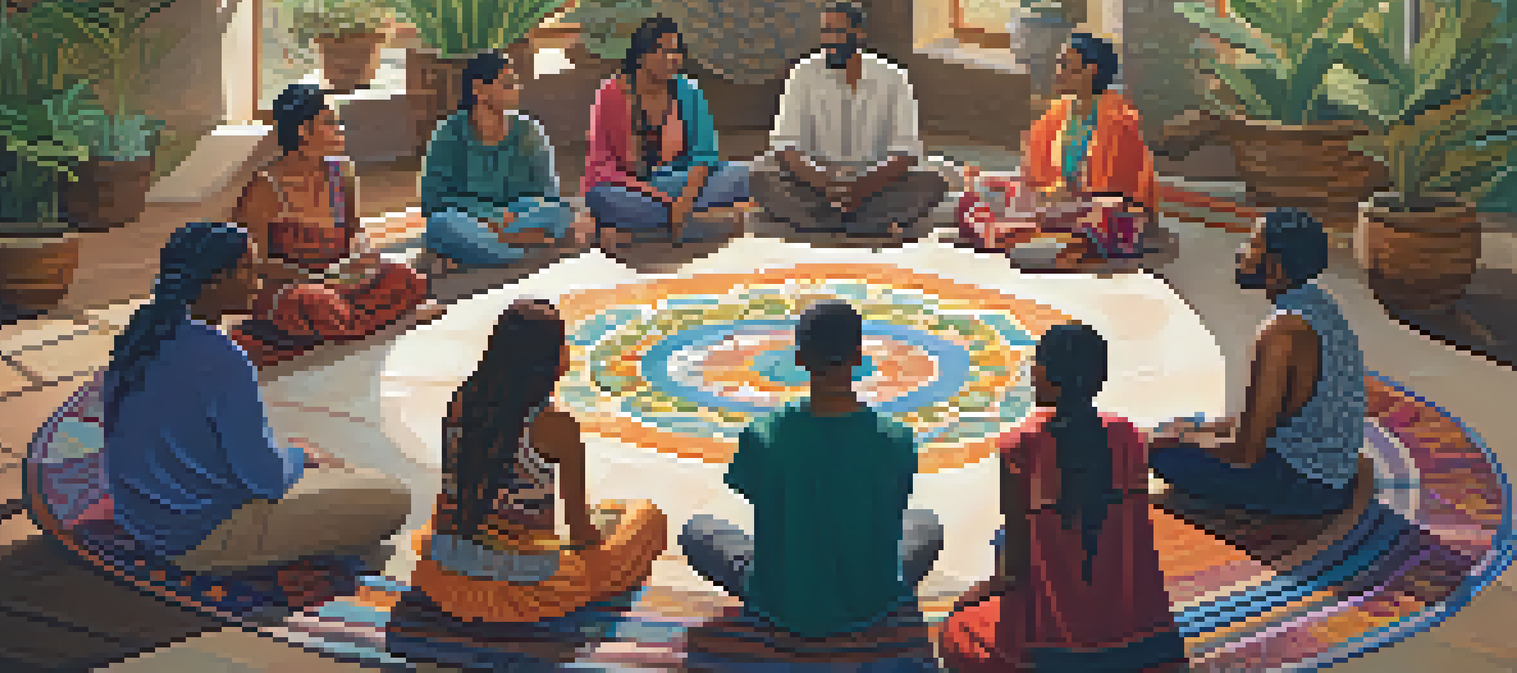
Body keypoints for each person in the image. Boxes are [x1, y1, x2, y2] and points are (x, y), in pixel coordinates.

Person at [103, 222, 413, 574]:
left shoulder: (140, 334)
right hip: (196, 536)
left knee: (333, 471)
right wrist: (299, 457)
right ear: (215, 280)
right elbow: (266, 478)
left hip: (140, 516)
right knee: (391, 497)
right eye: (247, 269)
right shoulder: (220, 356)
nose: (258, 279)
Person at [679, 300, 945, 639]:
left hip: (782, 600)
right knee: (926, 525)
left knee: (697, 532)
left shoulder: (764, 435)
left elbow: (760, 498)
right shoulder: (896, 438)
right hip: (872, 599)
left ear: (799, 358)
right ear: (859, 358)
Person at [939, 323, 1188, 672]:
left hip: (1052, 647)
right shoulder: (1128, 435)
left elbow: (1014, 567)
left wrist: (975, 594)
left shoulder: (1020, 446)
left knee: (957, 629)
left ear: (1044, 374)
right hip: (1142, 638)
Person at [411, 299, 668, 623]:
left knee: (609, 515)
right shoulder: (554, 425)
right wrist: (603, 537)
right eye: (562, 344)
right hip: (524, 588)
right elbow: (580, 533)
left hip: (442, 575)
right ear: (550, 360)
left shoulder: (463, 399)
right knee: (646, 519)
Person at [1149, 208, 1366, 517]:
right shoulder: (1322, 305)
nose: (1241, 252)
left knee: (1164, 458)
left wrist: (1177, 441)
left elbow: (1245, 452)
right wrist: (1194, 431)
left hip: (1309, 486)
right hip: (1332, 470)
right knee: (1177, 427)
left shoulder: (1281, 333)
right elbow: (1268, 418)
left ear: (1275, 267)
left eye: (1252, 244)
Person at [229, 84, 439, 367]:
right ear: (303, 131)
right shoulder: (265, 188)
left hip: (341, 281)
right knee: (315, 304)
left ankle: (341, 325)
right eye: (330, 123)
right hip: (291, 287)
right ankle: (351, 323)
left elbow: (354, 231)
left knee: (405, 278)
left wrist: (363, 257)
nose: (340, 129)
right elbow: (254, 263)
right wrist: (311, 276)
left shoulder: (343, 171)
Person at [753, 0, 949, 240]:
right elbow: (786, 147)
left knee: (933, 181)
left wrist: (862, 188)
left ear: (858, 34)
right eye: (826, 32)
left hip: (875, 184)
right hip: (815, 183)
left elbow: (906, 153)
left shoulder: (893, 78)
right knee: (760, 173)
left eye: (838, 32)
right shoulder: (803, 74)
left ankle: (821, 221)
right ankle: (865, 222)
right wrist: (825, 184)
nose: (829, 40)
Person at [966, 34, 1158, 256]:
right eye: (1059, 64)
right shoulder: (1058, 113)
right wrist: (1043, 191)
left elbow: (1121, 192)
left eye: (1066, 66)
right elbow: (1034, 174)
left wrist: (1067, 193)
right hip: (1052, 201)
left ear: (1091, 71)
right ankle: (1027, 235)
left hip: (1089, 207)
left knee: (1104, 213)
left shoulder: (1119, 123)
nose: (1058, 72)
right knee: (985, 187)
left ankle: (1035, 238)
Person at [581, 15, 754, 247]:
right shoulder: (612, 93)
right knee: (601, 197)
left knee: (743, 175)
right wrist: (662, 197)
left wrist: (684, 199)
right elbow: (601, 165)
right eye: (663, 51)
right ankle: (702, 224)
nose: (673, 59)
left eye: (676, 51)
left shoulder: (689, 91)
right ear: (641, 55)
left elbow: (704, 154)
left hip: (681, 181)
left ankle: (641, 232)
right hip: (631, 186)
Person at [418, 52, 575, 276]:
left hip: (519, 215)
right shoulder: (448, 134)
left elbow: (548, 191)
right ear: (479, 90)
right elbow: (432, 201)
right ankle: (527, 248)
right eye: (507, 84)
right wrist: (490, 215)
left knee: (561, 213)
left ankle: (487, 250)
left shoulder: (528, 130)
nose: (517, 89)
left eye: (515, 83)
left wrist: (511, 216)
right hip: (473, 218)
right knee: (440, 225)